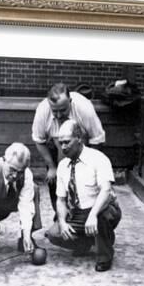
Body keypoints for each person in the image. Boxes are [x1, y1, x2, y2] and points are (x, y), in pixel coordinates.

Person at [45, 120, 121, 272]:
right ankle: (88, 241)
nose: (63, 147)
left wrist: (93, 215)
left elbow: (106, 191)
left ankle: (105, 255)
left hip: (102, 208)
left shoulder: (98, 158)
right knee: (54, 234)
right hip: (79, 212)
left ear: (79, 138)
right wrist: (62, 222)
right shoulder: (62, 166)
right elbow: (60, 200)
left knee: (101, 218)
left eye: (67, 142)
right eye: (61, 143)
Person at [32, 82, 106, 212]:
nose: (59, 115)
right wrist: (52, 167)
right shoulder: (42, 110)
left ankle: (85, 210)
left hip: (82, 144)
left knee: (83, 178)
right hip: (54, 145)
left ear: (70, 101)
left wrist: (88, 165)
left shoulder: (84, 109)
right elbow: (39, 140)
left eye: (63, 110)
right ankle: (60, 215)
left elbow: (97, 139)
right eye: (55, 111)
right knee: (54, 178)